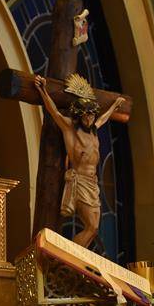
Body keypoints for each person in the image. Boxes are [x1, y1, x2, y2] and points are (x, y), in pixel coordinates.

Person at [34, 74, 125, 247]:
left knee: (95, 228)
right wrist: (42, 89)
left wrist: (114, 106)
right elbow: (53, 111)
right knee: (91, 226)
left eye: (91, 116)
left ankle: (79, 257)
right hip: (80, 182)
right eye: (86, 116)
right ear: (79, 115)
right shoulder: (70, 129)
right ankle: (70, 255)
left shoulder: (94, 131)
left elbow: (103, 118)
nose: (89, 119)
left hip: (93, 183)